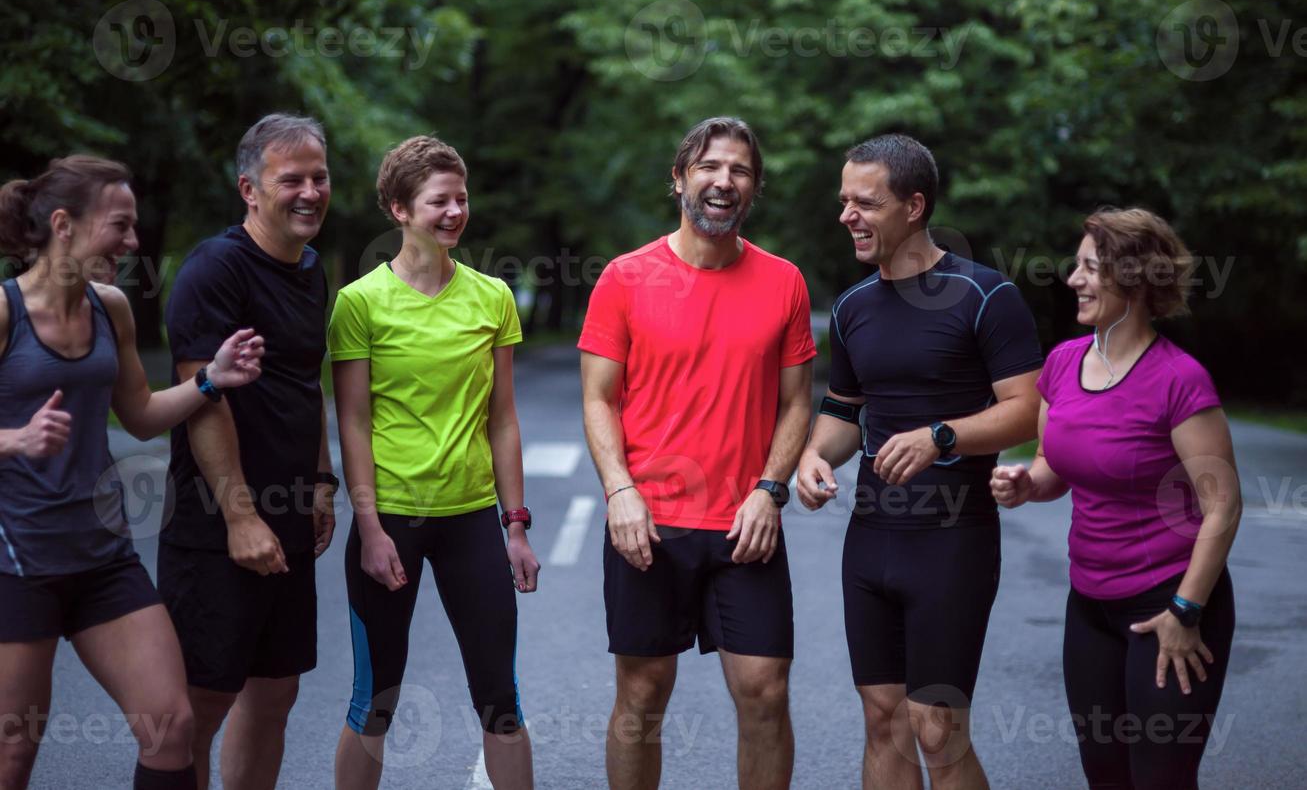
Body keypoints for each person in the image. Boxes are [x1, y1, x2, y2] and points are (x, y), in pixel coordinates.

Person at [0, 155, 264, 790]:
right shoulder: (4, 313)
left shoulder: (110, 308)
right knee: (13, 749)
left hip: (102, 557)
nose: (133, 243)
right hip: (17, 563)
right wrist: (14, 439)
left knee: (170, 727)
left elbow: (142, 415)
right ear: (63, 224)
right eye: (119, 226)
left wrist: (209, 380)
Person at [796, 134, 1043, 790]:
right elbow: (844, 410)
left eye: (863, 202)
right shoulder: (851, 308)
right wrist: (813, 458)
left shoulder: (986, 296)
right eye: (843, 200)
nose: (846, 214)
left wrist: (942, 436)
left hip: (951, 542)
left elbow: (1027, 409)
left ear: (913, 205)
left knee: (936, 726)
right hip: (871, 540)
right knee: (882, 719)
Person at [579, 116, 817, 790]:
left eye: (739, 170)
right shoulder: (625, 278)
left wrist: (770, 491)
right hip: (648, 523)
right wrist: (619, 491)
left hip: (745, 522)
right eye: (709, 166)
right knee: (642, 695)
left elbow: (797, 401)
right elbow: (598, 398)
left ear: (753, 188)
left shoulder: (783, 282)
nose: (724, 180)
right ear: (679, 178)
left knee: (765, 691)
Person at [991, 208, 1240, 790]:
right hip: (1091, 605)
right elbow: (1055, 465)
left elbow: (1223, 506)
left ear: (1134, 279)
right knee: (1105, 774)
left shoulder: (1179, 380)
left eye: (1089, 268)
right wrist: (1028, 483)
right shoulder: (1062, 363)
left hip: (1171, 602)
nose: (1073, 280)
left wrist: (1186, 612)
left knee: (1160, 777)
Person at [329, 136, 539, 790]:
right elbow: (353, 423)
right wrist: (367, 530)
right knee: (376, 701)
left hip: (471, 520)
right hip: (390, 516)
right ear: (398, 209)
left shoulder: (491, 298)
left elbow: (502, 418)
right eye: (437, 201)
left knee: (500, 700)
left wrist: (515, 525)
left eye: (461, 198)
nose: (454, 212)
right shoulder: (359, 303)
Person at [156, 114, 337, 790]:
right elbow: (198, 393)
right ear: (249, 189)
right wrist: (239, 517)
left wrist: (321, 480)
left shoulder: (312, 270)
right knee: (203, 701)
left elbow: (305, 381)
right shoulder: (216, 268)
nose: (310, 192)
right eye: (291, 179)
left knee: (275, 692)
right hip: (215, 528)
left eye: (319, 177)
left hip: (287, 519)